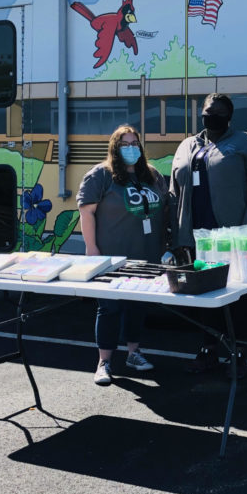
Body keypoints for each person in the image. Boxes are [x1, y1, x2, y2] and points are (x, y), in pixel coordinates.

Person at [169, 93, 247, 376]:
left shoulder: (245, 143)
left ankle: (240, 352)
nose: (211, 116)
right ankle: (208, 349)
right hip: (196, 237)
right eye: (207, 111)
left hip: (231, 237)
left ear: (228, 117)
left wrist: (246, 226)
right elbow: (175, 190)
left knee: (237, 295)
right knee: (205, 295)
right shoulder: (188, 144)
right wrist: (176, 233)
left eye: (218, 112)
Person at [78, 125, 170, 386]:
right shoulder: (101, 175)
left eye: (135, 144)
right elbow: (87, 212)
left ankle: (133, 353)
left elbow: (165, 210)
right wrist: (92, 249)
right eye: (124, 144)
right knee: (109, 307)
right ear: (114, 149)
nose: (131, 149)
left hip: (146, 255)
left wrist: (166, 247)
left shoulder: (151, 175)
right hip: (112, 257)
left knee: (137, 306)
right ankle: (104, 361)